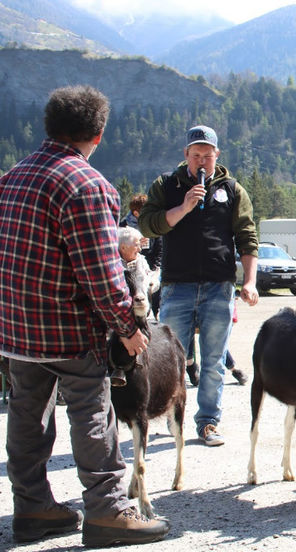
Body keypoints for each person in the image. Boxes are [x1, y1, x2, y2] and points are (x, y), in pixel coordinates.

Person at [0, 85, 169, 546]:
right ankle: (109, 513)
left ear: (50, 125)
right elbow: (99, 271)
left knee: (26, 418)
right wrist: (129, 328)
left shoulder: (12, 177)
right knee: (94, 417)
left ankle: (32, 508)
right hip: (71, 330)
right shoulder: (86, 184)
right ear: (98, 134)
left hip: (17, 327)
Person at [139, 124, 259, 447]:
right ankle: (169, 414)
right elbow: (147, 225)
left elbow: (247, 236)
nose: (202, 161)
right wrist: (182, 208)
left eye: (208, 155)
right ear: (186, 155)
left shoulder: (232, 189)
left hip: (219, 288)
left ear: (217, 156)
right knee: (169, 359)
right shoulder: (167, 185)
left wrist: (249, 281)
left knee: (214, 360)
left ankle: (208, 422)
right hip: (177, 286)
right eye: (196, 155)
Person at [120, 194, 162, 318]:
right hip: (128, 274)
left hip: (149, 272)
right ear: (136, 213)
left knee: (152, 304)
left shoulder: (153, 225)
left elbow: (160, 249)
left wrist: (156, 271)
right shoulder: (122, 227)